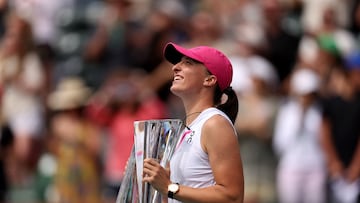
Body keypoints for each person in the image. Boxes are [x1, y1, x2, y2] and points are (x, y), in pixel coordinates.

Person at [142, 42, 244, 203]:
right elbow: (176, 195)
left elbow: (232, 196)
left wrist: (169, 187)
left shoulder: (215, 123)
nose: (175, 67)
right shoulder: (186, 128)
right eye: (178, 62)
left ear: (209, 80)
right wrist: (150, 178)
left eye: (187, 63)